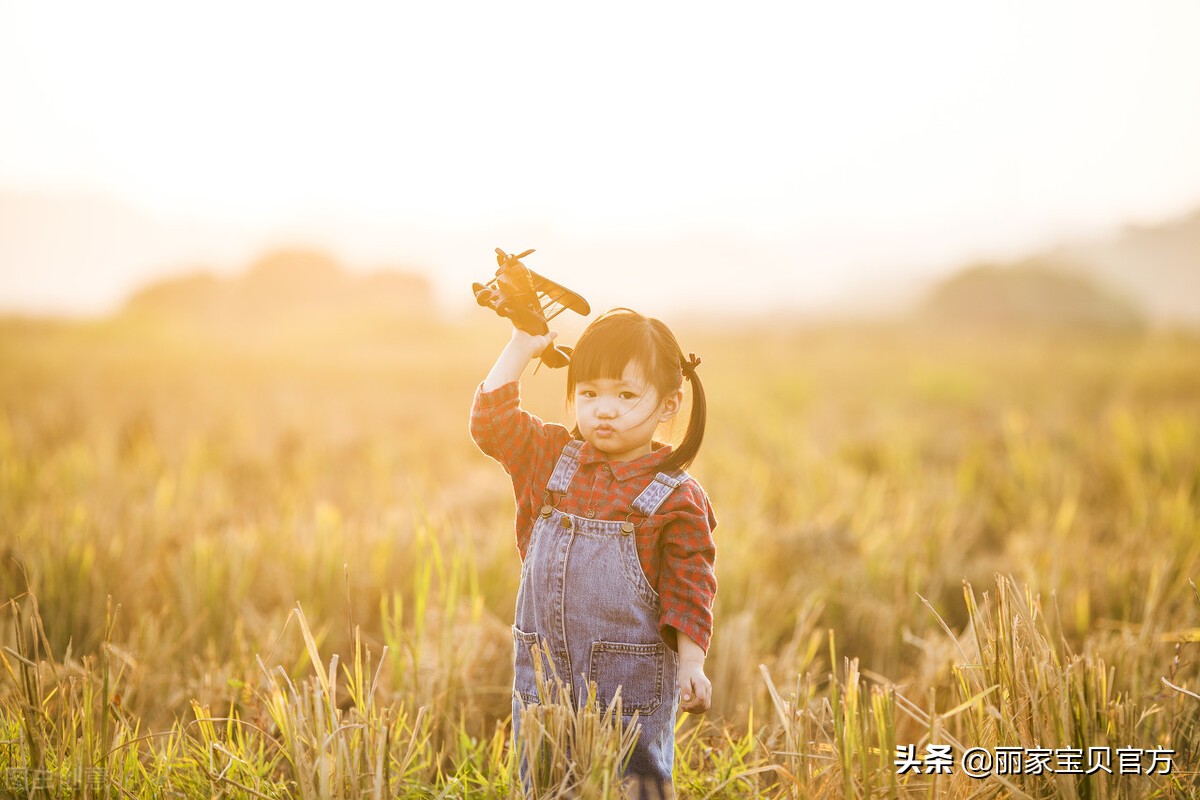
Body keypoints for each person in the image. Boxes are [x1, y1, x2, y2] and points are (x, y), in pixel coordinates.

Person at [470, 307, 717, 795]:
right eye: (589, 393)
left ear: (669, 405)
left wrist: (691, 664)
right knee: (543, 786)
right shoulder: (548, 459)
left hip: (629, 691)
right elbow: (491, 422)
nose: (604, 409)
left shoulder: (676, 498)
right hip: (542, 681)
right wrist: (523, 344)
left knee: (633, 789)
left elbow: (689, 587)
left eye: (626, 395)